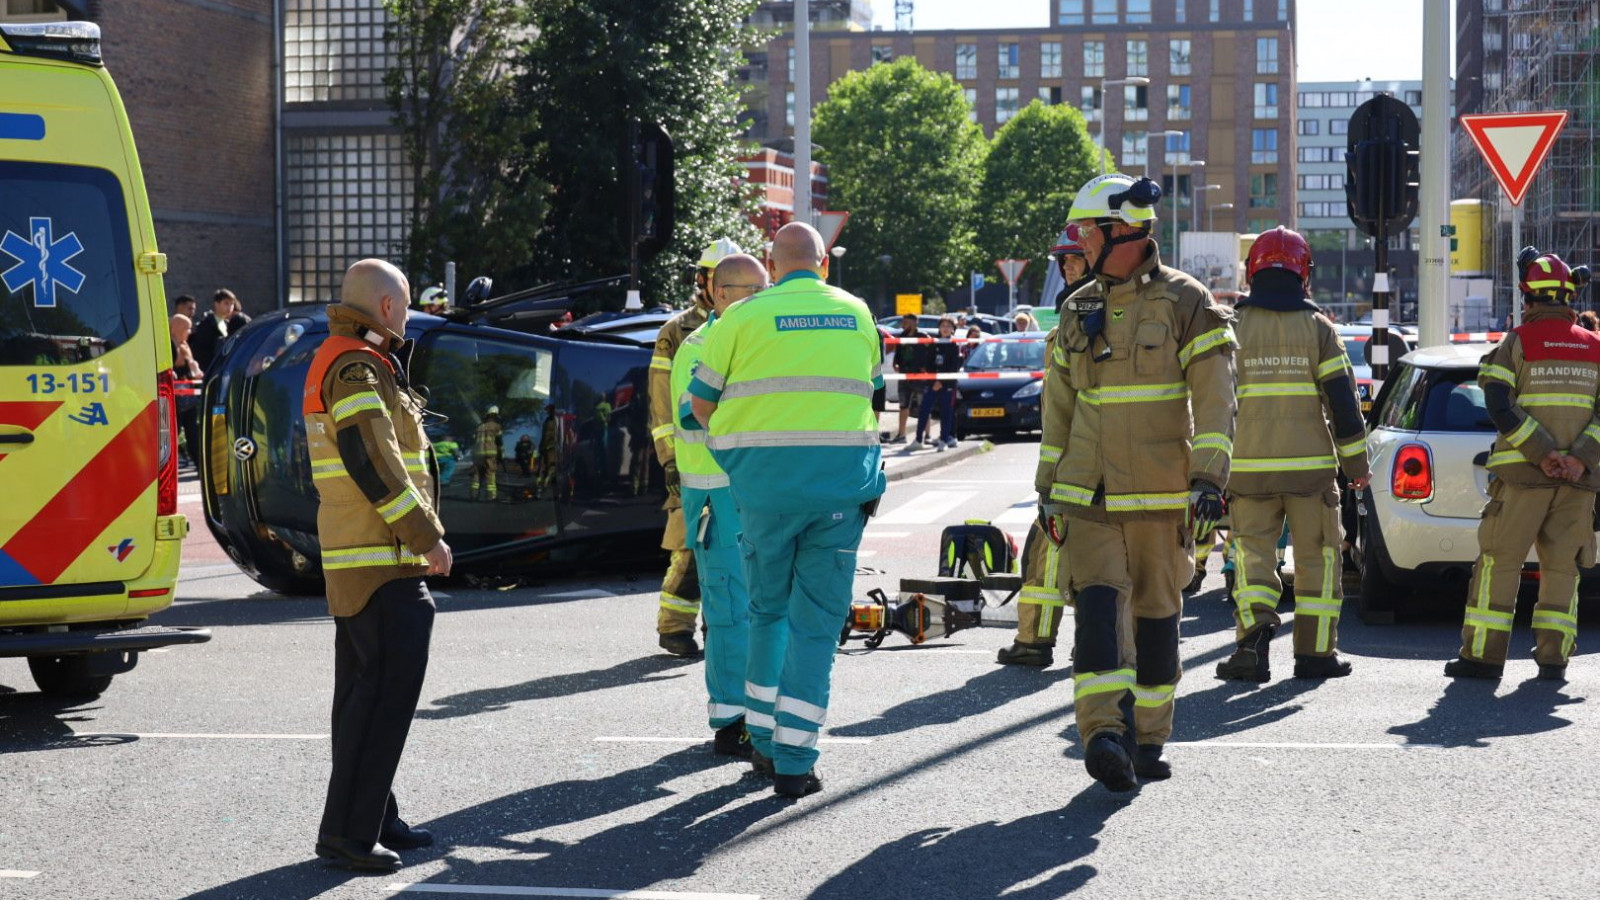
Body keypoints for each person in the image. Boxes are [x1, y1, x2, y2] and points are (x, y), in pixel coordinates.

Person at [1038, 173, 1236, 792]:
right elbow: (1058, 410)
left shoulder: (1186, 301)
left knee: (1155, 618)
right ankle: (1101, 733)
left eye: (1086, 231)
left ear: (1119, 230)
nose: (1079, 243)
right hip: (1087, 492)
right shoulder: (1077, 308)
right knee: (1096, 609)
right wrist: (1047, 488)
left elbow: (1217, 399)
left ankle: (1148, 739)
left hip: (1161, 494)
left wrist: (1208, 482)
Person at [687, 222, 886, 798]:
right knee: (816, 629)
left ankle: (765, 746)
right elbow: (871, 396)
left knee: (765, 614)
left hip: (763, 495)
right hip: (838, 498)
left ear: (772, 268)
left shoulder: (740, 320)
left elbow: (700, 406)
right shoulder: (857, 313)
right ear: (823, 265)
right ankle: (795, 762)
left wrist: (738, 457)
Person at [303, 258, 451, 872]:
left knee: (363, 700)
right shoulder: (357, 365)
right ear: (388, 307)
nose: (410, 314)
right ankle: (346, 836)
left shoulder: (351, 358)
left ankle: (373, 818)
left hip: (368, 558)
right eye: (408, 303)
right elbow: (375, 462)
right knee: (378, 703)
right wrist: (426, 537)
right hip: (383, 560)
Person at [1214, 227, 1370, 684]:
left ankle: (1253, 643)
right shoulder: (1319, 329)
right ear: (1304, 274)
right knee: (1319, 558)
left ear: (1252, 271)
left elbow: (1210, 402)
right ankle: (1316, 654)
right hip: (1310, 473)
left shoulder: (1231, 326)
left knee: (1253, 558)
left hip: (1247, 469)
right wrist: (1357, 468)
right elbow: (1343, 404)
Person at [1446, 250, 1600, 682]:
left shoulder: (1517, 343)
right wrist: (1575, 459)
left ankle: (1482, 657)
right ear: (1570, 295)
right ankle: (1553, 658)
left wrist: (1543, 452)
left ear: (1526, 297)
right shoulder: (1594, 347)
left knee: (1500, 561)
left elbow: (1498, 402)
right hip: (1577, 482)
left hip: (1521, 480)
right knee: (1561, 566)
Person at [671, 252, 769, 760]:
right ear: (722, 294)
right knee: (730, 611)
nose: (762, 299)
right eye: (753, 292)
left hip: (747, 493)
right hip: (716, 495)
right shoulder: (702, 345)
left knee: (759, 607)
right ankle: (732, 720)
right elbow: (691, 416)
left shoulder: (752, 339)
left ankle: (756, 711)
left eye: (765, 289)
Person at [998, 224, 1094, 667]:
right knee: (1053, 549)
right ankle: (1076, 640)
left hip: (1081, 461)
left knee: (1051, 550)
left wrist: (1051, 476)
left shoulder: (1091, 314)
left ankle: (1038, 640)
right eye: (1065, 261)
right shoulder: (1077, 313)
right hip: (1080, 458)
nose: (1068, 268)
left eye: (1075, 259)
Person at [648, 238, 741, 657]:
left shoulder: (748, 324)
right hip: (690, 464)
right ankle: (675, 626)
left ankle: (716, 625)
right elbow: (662, 402)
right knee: (689, 545)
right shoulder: (678, 332)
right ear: (704, 281)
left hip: (735, 463)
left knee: (728, 548)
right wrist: (669, 461)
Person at [917, 316, 961, 450]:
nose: (945, 329)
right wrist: (933, 381)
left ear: (953, 329)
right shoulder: (933, 342)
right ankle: (918, 439)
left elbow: (953, 366)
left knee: (946, 412)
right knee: (924, 409)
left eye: (948, 326)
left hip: (947, 385)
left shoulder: (955, 345)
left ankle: (944, 439)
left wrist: (941, 381)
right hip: (932, 383)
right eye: (943, 326)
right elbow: (928, 363)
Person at [169, 311, 203, 466]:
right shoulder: (170, 345)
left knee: (192, 431)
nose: (189, 332)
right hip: (176, 398)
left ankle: (199, 464)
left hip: (188, 397)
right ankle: (171, 463)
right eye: (186, 328)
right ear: (177, 328)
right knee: (174, 431)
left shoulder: (185, 346)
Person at [189, 288, 251, 372]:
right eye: (226, 303)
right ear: (216, 304)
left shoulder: (227, 323)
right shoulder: (207, 324)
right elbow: (202, 351)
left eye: (232, 304)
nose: (230, 307)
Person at [889, 313, 929, 443]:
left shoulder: (923, 337)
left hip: (919, 376)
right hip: (904, 375)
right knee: (903, 406)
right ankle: (901, 435)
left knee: (924, 406)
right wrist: (895, 363)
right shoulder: (902, 336)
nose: (903, 325)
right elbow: (898, 352)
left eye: (905, 322)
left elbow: (931, 352)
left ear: (914, 323)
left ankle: (927, 435)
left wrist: (926, 367)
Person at [472, 405, 503, 501]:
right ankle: (491, 496)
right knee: (490, 473)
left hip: (478, 453)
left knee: (477, 474)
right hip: (490, 453)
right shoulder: (497, 426)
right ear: (495, 416)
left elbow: (474, 439)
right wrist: (501, 454)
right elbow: (499, 441)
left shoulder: (479, 427)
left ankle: (474, 495)